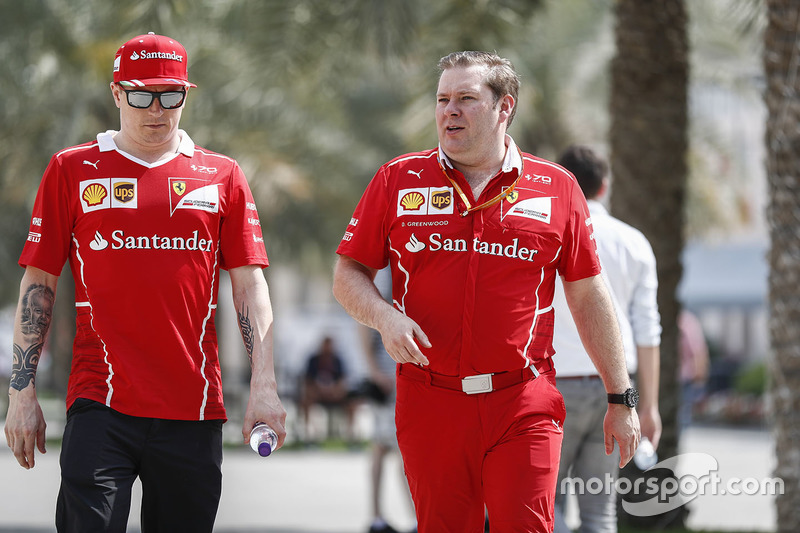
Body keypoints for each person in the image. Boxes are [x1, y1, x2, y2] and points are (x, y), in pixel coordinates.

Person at [332, 51, 640, 533]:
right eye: (442, 99)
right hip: (430, 400)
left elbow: (587, 293)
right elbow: (348, 273)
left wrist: (621, 398)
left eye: (466, 99)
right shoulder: (398, 179)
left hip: (523, 401)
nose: (448, 110)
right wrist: (385, 318)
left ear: (504, 107)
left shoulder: (556, 187)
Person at [3, 33, 286, 533]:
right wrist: (21, 395)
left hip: (194, 408)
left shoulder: (221, 175)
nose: (156, 108)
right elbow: (39, 283)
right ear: (116, 94)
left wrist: (264, 386)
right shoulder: (72, 169)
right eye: (140, 94)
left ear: (186, 95)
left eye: (170, 94)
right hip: (100, 402)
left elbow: (249, 286)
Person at [551, 145, 662, 533]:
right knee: (601, 512)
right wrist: (647, 405)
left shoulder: (548, 234)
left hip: (553, 386)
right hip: (615, 390)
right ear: (604, 187)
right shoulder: (634, 243)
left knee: (545, 507)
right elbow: (648, 330)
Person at [357, 267, 417, 533]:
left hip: (404, 373)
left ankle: (391, 516)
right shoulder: (384, 272)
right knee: (394, 450)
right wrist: (373, 370)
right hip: (388, 376)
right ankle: (382, 517)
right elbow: (362, 323)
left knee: (396, 450)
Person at [300, 335, 355, 442]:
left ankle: (350, 436)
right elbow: (307, 379)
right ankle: (309, 434)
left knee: (352, 404)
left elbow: (343, 380)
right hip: (317, 393)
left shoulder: (337, 360)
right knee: (306, 401)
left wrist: (335, 390)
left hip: (334, 394)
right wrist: (318, 389)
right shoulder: (314, 360)